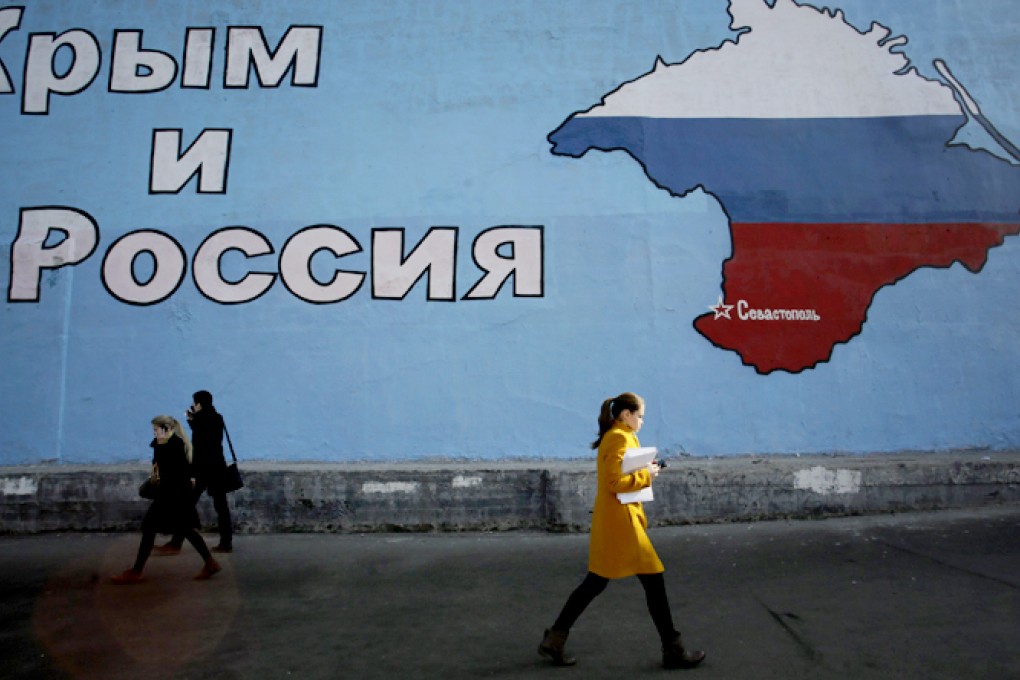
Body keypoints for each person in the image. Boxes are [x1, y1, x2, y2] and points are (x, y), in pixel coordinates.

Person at [538, 392, 706, 669]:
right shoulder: (619, 437)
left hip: (615, 521)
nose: (641, 420)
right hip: (623, 523)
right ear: (625, 414)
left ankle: (555, 638)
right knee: (653, 580)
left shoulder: (616, 435)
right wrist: (647, 475)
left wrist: (644, 472)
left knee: (596, 582)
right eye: (639, 415)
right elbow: (616, 481)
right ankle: (673, 650)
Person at [111, 415, 221, 584]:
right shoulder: (168, 444)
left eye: (156, 430)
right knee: (184, 529)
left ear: (165, 429)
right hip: (175, 494)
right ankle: (210, 562)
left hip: (171, 495)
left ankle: (136, 571)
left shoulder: (172, 446)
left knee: (154, 529)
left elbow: (172, 473)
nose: (154, 433)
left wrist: (157, 485)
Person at [156, 390, 233, 554]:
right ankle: (226, 543)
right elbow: (207, 436)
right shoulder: (217, 417)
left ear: (198, 404)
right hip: (217, 468)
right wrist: (193, 419)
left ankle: (175, 543)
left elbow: (199, 443)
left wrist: (190, 418)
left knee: (185, 507)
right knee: (221, 508)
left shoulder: (201, 419)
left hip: (202, 470)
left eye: (195, 403)